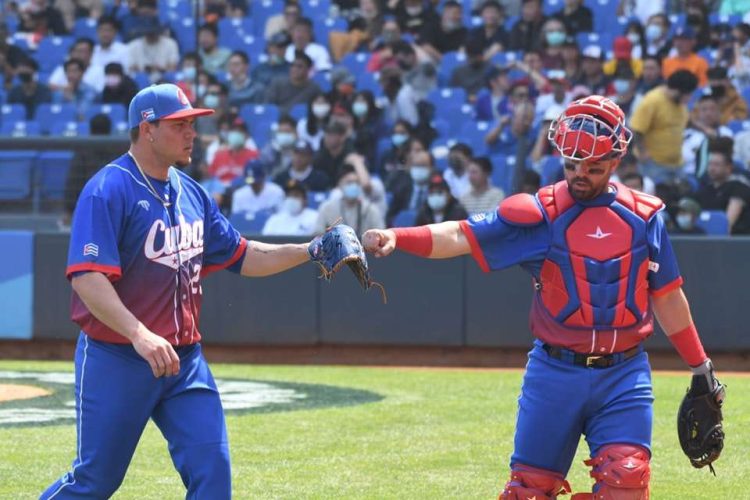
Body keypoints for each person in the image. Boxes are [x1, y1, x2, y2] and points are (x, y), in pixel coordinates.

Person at [362, 95, 721, 499]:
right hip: (554, 372)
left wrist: (700, 366)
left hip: (624, 373)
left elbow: (669, 297)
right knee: (529, 492)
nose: (579, 174)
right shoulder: (540, 214)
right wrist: (397, 236)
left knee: (628, 481)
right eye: (571, 165)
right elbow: (462, 234)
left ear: (616, 161)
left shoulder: (645, 216)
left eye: (593, 166)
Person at [42, 83, 324, 499]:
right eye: (180, 124)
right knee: (95, 481)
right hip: (117, 357)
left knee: (213, 471)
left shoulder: (192, 192)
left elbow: (244, 255)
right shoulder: (108, 189)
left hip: (184, 362)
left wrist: (312, 249)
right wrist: (139, 334)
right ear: (148, 128)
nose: (192, 133)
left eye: (193, 123)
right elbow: (87, 278)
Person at [315, 164, 385, 235]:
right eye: (349, 182)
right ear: (339, 184)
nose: (354, 186)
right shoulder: (327, 208)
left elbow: (381, 235)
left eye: (357, 182)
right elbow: (317, 235)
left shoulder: (370, 209)